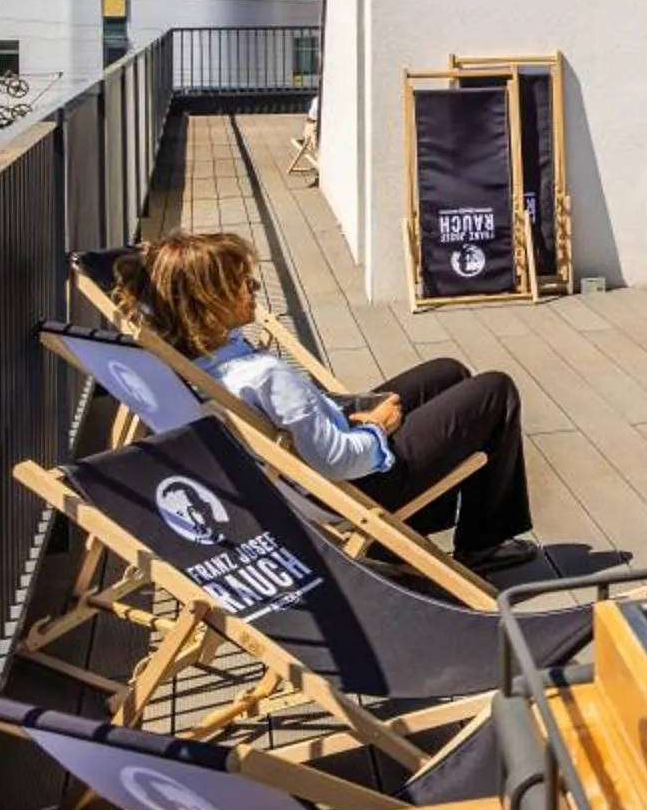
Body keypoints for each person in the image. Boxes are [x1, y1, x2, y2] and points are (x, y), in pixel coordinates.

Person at [118, 231, 543, 575]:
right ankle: (482, 544)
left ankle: (416, 524)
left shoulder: (194, 364)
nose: (254, 288)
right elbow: (336, 462)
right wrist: (376, 429)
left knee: (447, 372)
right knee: (495, 390)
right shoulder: (264, 376)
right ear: (210, 304)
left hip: (307, 466)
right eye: (242, 283)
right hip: (352, 486)